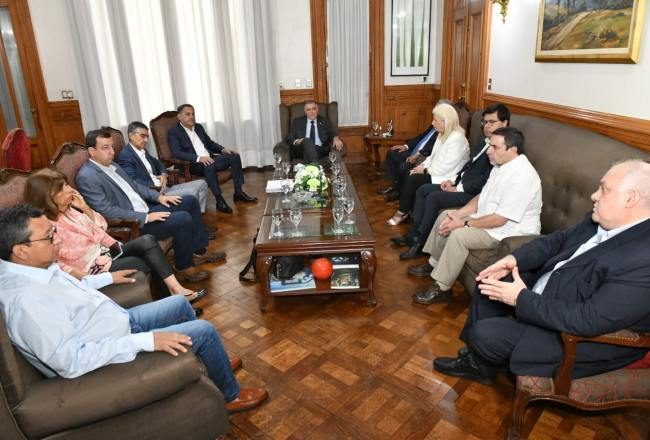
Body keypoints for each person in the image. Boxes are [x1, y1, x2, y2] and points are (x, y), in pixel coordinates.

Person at [0, 204, 268, 413]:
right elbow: (70, 362)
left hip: (117, 324)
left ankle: (210, 363)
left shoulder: (35, 268)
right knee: (204, 331)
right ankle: (230, 396)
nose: (57, 240)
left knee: (178, 303)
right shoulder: (26, 301)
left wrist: (108, 277)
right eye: (49, 237)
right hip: (109, 352)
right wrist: (146, 341)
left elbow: (74, 286)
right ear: (20, 250)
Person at [433, 159, 650, 384]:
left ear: (630, 199)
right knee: (488, 282)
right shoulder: (600, 219)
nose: (594, 195)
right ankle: (480, 363)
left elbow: (588, 320)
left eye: (604, 189)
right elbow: (555, 241)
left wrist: (521, 299)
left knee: (484, 334)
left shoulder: (643, 259)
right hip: (553, 294)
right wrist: (513, 259)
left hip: (575, 337)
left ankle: (485, 355)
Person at [24, 168, 206, 305]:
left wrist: (86, 208)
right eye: (62, 189)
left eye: (66, 185)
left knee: (148, 242)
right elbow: (58, 263)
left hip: (107, 252)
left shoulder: (70, 210)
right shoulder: (45, 226)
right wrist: (86, 275)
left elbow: (101, 227)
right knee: (146, 260)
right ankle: (174, 301)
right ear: (47, 196)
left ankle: (176, 292)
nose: (70, 190)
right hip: (92, 266)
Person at [410, 127, 542, 305]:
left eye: (495, 147)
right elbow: (482, 197)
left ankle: (442, 288)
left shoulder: (522, 177)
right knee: (446, 216)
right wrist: (458, 214)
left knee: (460, 235)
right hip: (490, 219)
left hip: (508, 232)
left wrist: (464, 224)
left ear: (512, 150)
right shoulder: (500, 165)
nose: (489, 151)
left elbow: (500, 219)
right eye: (490, 145)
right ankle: (434, 263)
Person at [76, 129, 224, 283]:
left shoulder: (112, 165)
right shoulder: (87, 176)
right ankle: (183, 267)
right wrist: (145, 217)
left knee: (189, 201)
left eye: (112, 147)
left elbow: (135, 186)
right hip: (135, 222)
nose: (112, 152)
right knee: (183, 219)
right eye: (105, 148)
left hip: (146, 208)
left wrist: (159, 197)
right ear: (92, 151)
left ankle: (198, 252)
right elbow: (106, 211)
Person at [391, 104, 509, 259]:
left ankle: (420, 243)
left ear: (505, 123)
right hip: (460, 183)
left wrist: (458, 188)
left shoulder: (503, 149)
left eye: (492, 122)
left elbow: (484, 181)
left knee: (433, 197)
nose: (487, 126)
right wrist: (452, 181)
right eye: (485, 122)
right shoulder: (484, 141)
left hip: (473, 193)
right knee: (423, 190)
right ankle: (413, 235)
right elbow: (466, 168)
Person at [386, 103, 469, 226]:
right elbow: (432, 157)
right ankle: (406, 210)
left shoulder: (457, 139)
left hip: (448, 177)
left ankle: (403, 212)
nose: (432, 123)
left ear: (446, 121)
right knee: (410, 173)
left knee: (413, 178)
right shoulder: (442, 134)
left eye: (435, 120)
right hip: (436, 172)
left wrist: (424, 171)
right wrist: (421, 166)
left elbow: (445, 168)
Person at [168, 104, 257, 214]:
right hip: (193, 164)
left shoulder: (198, 127)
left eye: (193, 114)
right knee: (209, 164)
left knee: (234, 156)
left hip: (210, 159)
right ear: (179, 117)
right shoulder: (174, 132)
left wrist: (223, 149)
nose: (191, 117)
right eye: (188, 114)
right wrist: (199, 158)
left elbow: (210, 143)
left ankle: (238, 193)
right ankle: (219, 200)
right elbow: (177, 153)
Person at [117, 121, 211, 215]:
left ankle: (199, 214)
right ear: (131, 136)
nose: (146, 140)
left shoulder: (143, 150)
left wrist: (163, 174)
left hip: (165, 187)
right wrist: (156, 188)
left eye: (147, 137)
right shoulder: (126, 156)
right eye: (142, 136)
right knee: (192, 191)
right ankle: (193, 216)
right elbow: (133, 182)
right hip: (155, 193)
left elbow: (159, 163)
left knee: (202, 183)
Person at [378, 99, 455, 201]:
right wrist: (406, 146)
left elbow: (433, 149)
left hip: (422, 156)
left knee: (403, 166)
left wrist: (418, 155)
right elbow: (421, 136)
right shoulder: (434, 123)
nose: (435, 110)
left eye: (438, 108)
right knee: (392, 153)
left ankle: (397, 191)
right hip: (414, 151)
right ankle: (393, 185)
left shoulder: (444, 128)